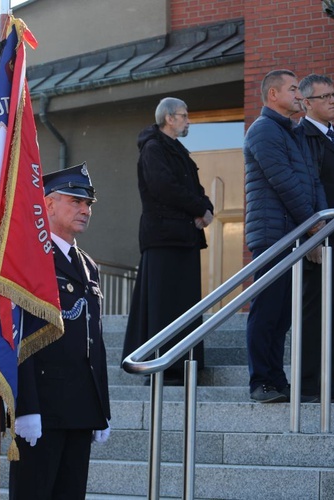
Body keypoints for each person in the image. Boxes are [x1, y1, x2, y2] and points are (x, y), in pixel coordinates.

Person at [9, 163, 111, 500]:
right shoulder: (28, 258)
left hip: (80, 407)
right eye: (75, 201)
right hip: (43, 407)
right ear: (48, 204)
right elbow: (18, 334)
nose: (85, 210)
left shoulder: (88, 264)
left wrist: (101, 408)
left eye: (88, 204)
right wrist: (25, 406)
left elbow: (93, 340)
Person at [243, 70, 327, 403]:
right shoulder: (263, 130)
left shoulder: (295, 132)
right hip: (273, 236)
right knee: (267, 311)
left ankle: (277, 381)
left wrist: (321, 223)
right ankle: (261, 381)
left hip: (295, 234)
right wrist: (312, 224)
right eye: (293, 89)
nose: (299, 95)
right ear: (273, 95)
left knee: (282, 316)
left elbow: (314, 181)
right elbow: (284, 183)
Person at [121, 97, 213, 385]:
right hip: (164, 238)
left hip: (181, 237)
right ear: (169, 118)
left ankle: (185, 365)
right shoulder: (154, 148)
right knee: (165, 305)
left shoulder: (177, 151)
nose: (188, 121)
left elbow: (192, 187)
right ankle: (165, 367)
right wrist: (199, 209)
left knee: (184, 304)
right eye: (184, 116)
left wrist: (205, 207)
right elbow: (164, 188)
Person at [297, 74, 334, 403]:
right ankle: (310, 383)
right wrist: (311, 237)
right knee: (317, 312)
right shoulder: (302, 137)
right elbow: (303, 190)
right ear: (307, 103)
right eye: (325, 96)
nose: (333, 100)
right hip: (324, 241)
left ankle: (328, 380)